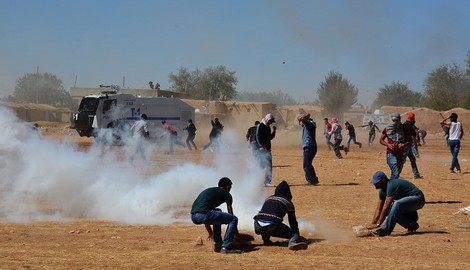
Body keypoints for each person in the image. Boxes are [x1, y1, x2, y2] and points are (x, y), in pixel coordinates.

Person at [190, 177, 241, 254]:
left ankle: (218, 243)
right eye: (230, 188)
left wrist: (210, 233)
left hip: (193, 217)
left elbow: (205, 215)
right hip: (205, 214)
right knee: (233, 219)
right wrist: (237, 235)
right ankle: (225, 247)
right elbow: (231, 214)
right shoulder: (227, 194)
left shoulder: (211, 191)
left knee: (217, 212)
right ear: (227, 187)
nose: (230, 190)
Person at [367, 171, 425, 237]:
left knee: (396, 204)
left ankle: (385, 230)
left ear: (383, 180)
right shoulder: (382, 191)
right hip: (409, 204)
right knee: (390, 210)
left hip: (418, 199)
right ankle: (411, 225)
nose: (374, 184)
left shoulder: (391, 185)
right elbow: (379, 209)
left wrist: (378, 224)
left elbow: (386, 206)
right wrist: (373, 224)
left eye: (376, 182)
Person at [253, 180, 308, 250]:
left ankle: (266, 240)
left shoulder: (269, 198)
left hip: (257, 226)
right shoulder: (288, 202)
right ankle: (293, 243)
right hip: (272, 227)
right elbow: (292, 222)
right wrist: (297, 235)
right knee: (293, 234)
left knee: (266, 220)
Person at [379, 113, 410, 179]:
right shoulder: (387, 129)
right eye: (394, 120)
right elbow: (381, 140)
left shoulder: (404, 128)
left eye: (397, 120)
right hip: (391, 153)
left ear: (399, 120)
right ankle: (391, 186)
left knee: (397, 173)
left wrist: (404, 144)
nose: (395, 122)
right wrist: (388, 145)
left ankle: (391, 186)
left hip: (400, 154)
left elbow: (409, 140)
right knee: (395, 171)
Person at [256, 113, 277, 187]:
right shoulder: (260, 126)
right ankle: (254, 179)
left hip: (268, 149)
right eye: (271, 121)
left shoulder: (268, 127)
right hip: (261, 150)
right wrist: (260, 146)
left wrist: (274, 131)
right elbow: (257, 137)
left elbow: (269, 137)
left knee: (269, 165)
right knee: (260, 166)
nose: (271, 123)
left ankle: (267, 181)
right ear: (268, 119)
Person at [298, 113, 319, 185]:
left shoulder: (309, 124)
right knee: (308, 164)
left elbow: (302, 119)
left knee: (306, 165)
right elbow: (300, 120)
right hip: (311, 146)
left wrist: (305, 117)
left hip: (309, 146)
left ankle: (311, 180)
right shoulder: (311, 124)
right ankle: (314, 179)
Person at [402, 113, 422, 179]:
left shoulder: (404, 124)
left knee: (413, 159)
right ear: (413, 118)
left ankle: (416, 174)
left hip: (407, 144)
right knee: (402, 160)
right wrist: (417, 142)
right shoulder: (410, 125)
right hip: (407, 145)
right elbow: (412, 135)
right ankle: (396, 174)